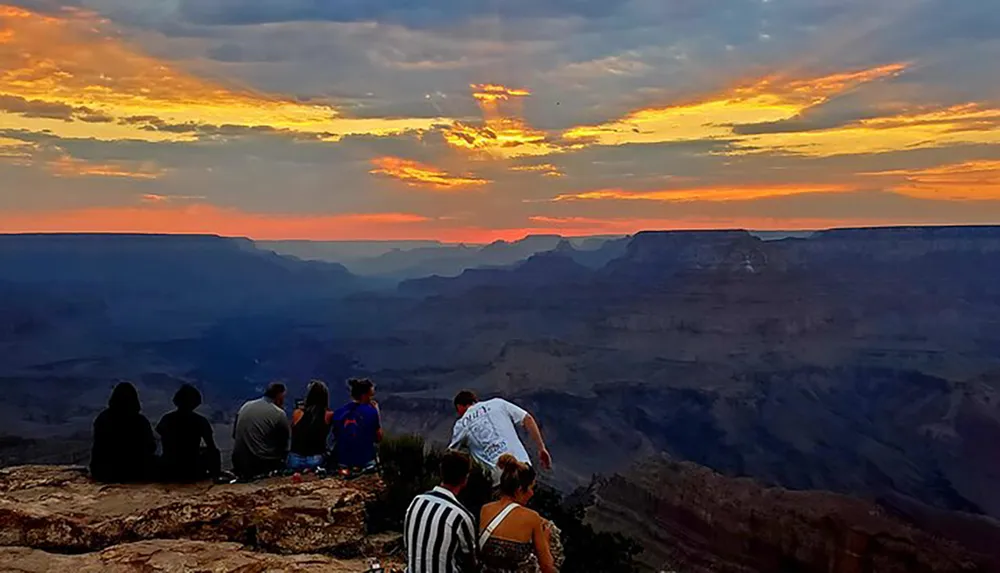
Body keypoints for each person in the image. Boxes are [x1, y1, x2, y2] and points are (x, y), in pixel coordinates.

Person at [449, 390, 552, 484]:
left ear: (459, 407)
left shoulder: (461, 424)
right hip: (523, 467)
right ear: (475, 400)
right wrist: (541, 448)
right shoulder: (497, 403)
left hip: (500, 479)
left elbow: (451, 455)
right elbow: (527, 419)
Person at [479, 454, 559, 573]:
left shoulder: (485, 509)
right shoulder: (532, 518)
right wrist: (546, 541)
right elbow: (547, 567)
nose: (532, 493)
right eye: (531, 488)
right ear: (520, 490)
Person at [404, 450, 478, 573]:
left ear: (441, 472)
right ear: (465, 479)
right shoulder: (461, 516)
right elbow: (470, 562)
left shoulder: (416, 502)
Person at [90, 382, 157, 483]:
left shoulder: (103, 418)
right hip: (136, 471)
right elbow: (151, 447)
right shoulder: (140, 421)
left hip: (104, 471)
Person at [156, 384, 220, 482]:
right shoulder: (200, 421)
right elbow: (211, 446)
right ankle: (216, 479)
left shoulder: (166, 419)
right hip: (192, 467)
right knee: (213, 452)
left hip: (168, 466)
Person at [232, 382, 290, 479]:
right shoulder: (279, 413)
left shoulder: (246, 405)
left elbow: (234, 435)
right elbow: (283, 444)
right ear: (279, 395)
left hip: (238, 461)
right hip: (261, 463)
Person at [331, 378, 383, 473]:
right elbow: (378, 438)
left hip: (343, 460)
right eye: (370, 395)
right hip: (365, 459)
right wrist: (377, 412)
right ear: (364, 395)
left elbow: (336, 434)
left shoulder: (339, 412)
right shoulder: (371, 412)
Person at [288, 380, 333, 471]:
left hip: (295, 458)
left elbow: (292, 430)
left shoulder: (298, 413)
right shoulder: (328, 415)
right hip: (315, 458)